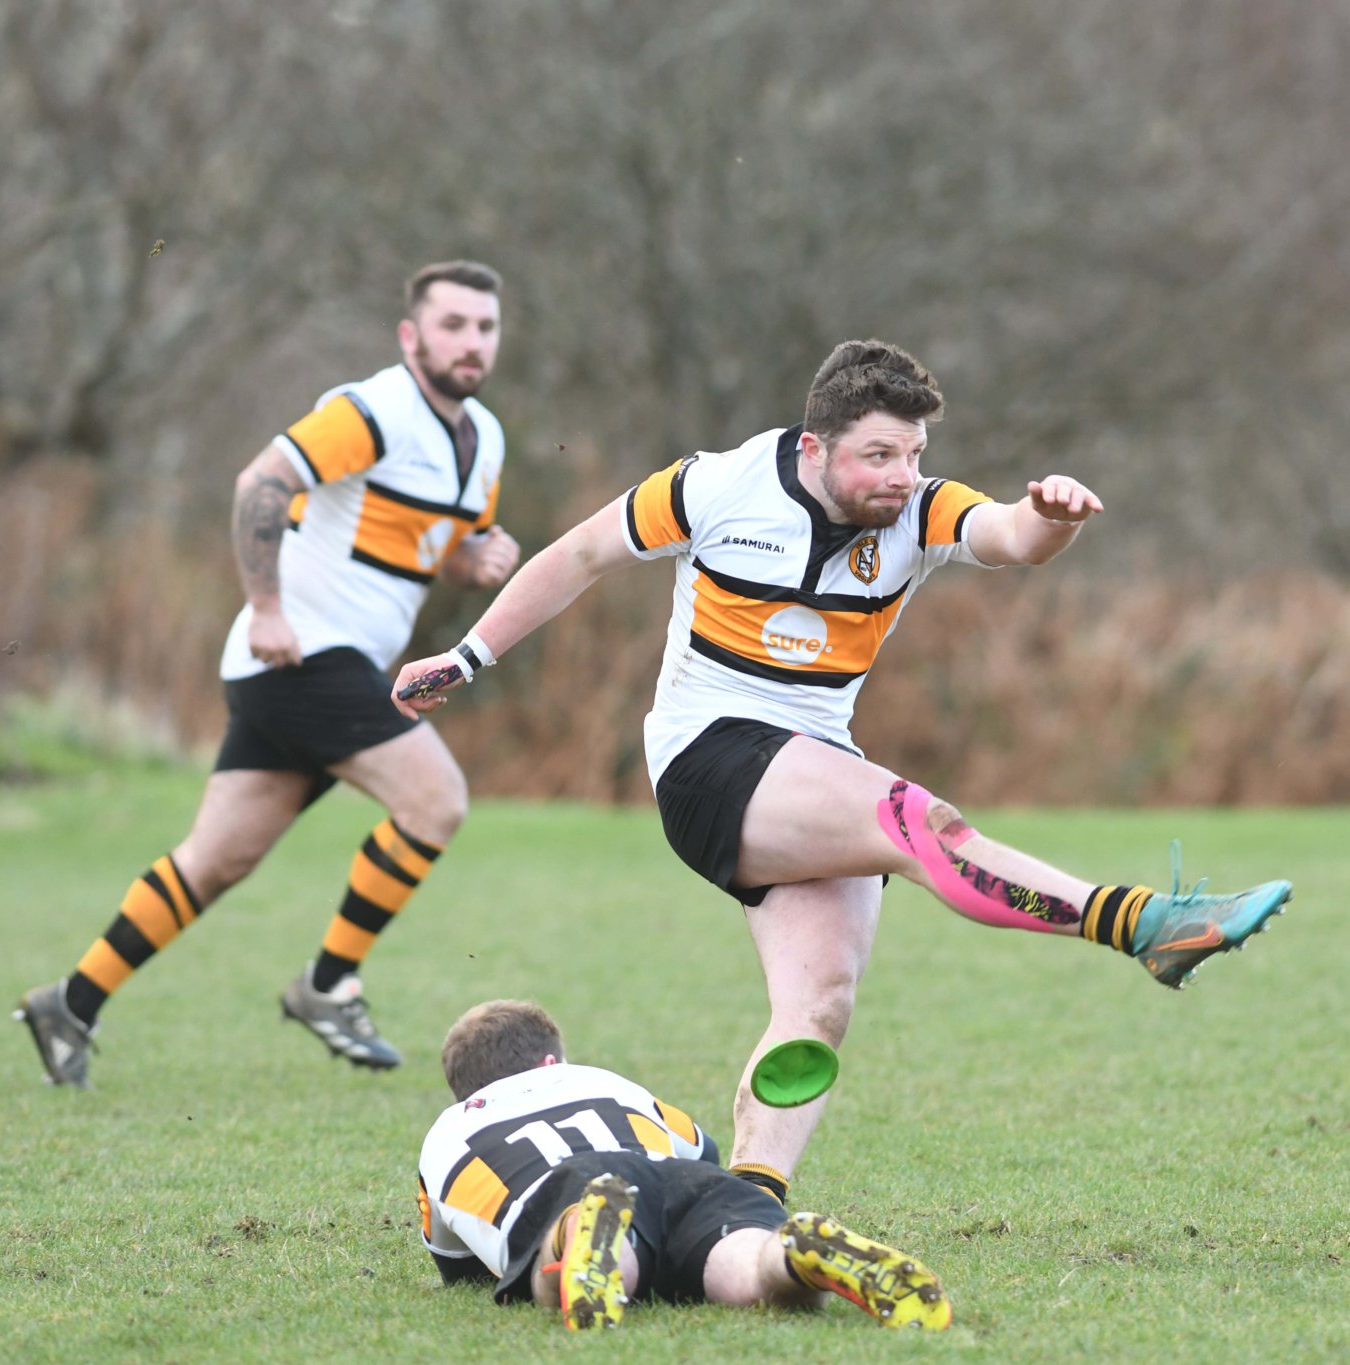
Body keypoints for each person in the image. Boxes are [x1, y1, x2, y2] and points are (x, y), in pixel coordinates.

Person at [393, 339, 1295, 1202]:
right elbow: (580, 554)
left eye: (913, 452)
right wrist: (466, 658)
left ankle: (743, 1205)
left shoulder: (920, 508)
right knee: (917, 821)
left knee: (816, 1012)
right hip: (710, 756)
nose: (901, 476)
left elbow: (1011, 535)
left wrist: (1051, 519)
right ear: (815, 445)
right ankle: (1144, 923)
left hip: (814, 765)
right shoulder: (719, 484)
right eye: (878, 454)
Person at [16, 261, 522, 1087]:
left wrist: (476, 558)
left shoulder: (485, 437)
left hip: (315, 665)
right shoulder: (372, 409)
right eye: (453, 324)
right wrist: (266, 606)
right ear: (411, 335)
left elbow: (426, 548)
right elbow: (263, 480)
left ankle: (69, 1002)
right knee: (437, 800)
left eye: (485, 328)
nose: (471, 342)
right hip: (298, 653)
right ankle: (328, 985)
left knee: (214, 860)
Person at [418, 999, 950, 1331]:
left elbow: (458, 1266)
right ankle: (792, 1250)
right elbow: (703, 1150)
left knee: (544, 1276)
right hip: (681, 1179)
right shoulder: (605, 1081)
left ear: (463, 1089)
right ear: (552, 1062)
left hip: (568, 1187)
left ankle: (579, 1234)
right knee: (750, 1274)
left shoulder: (446, 1133)